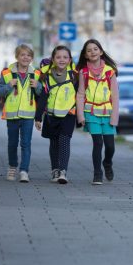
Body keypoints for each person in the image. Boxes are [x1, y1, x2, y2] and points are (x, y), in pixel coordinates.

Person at [0, 44, 42, 183]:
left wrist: (38, 86)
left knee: (26, 144)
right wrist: (9, 86)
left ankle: (24, 171)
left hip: (28, 115)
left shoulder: (36, 74)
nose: (25, 57)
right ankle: (12, 167)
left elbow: (42, 94)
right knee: (12, 143)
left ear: (32, 58)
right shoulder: (6, 73)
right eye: (22, 55)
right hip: (12, 115)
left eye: (28, 55)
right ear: (17, 57)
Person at [76, 39, 119, 185]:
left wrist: (114, 117)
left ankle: (107, 163)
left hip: (107, 114)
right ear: (86, 55)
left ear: (100, 52)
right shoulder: (84, 72)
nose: (92, 52)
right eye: (89, 50)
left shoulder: (109, 72)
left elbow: (115, 95)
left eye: (95, 49)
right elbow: (81, 94)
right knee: (98, 143)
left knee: (110, 146)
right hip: (91, 113)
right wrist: (81, 116)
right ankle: (97, 174)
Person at [34, 45, 77, 184]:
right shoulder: (47, 77)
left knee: (64, 142)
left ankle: (63, 171)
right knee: (54, 144)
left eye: (65, 57)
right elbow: (43, 98)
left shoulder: (74, 76)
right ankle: (55, 170)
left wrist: (82, 115)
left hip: (68, 115)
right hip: (51, 116)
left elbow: (80, 95)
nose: (62, 60)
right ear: (53, 59)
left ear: (70, 60)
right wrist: (38, 117)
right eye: (58, 57)